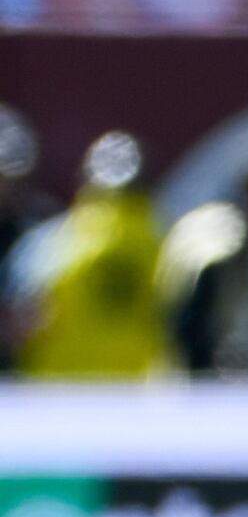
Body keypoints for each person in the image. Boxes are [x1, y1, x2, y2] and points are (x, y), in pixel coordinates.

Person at [8, 131, 174, 375]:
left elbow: (22, 323)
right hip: (140, 397)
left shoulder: (50, 245)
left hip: (56, 394)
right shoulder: (168, 245)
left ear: (85, 185)